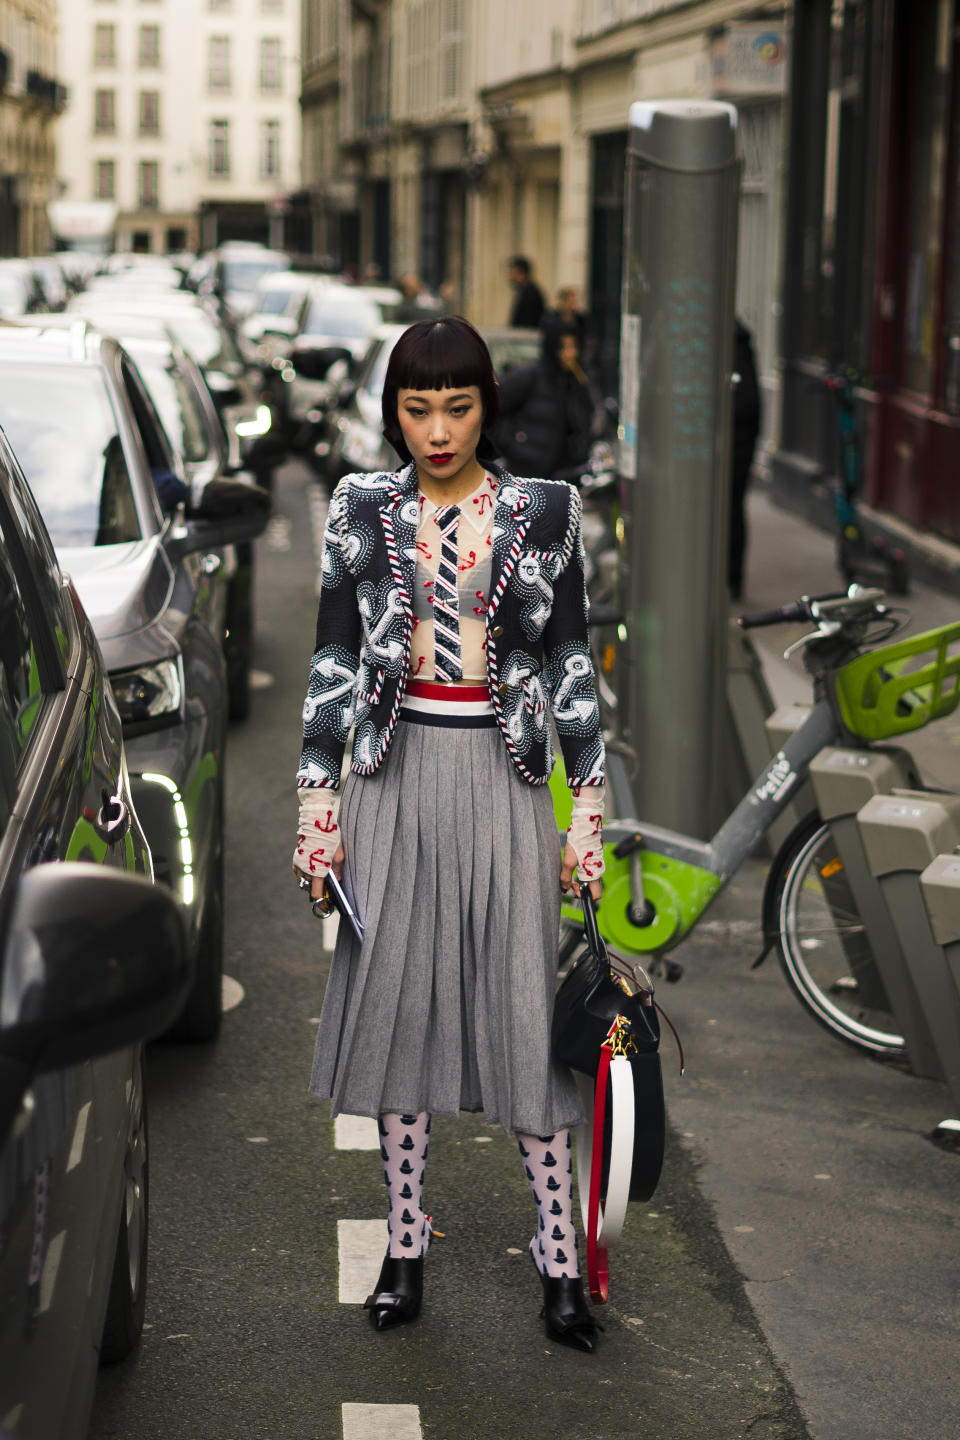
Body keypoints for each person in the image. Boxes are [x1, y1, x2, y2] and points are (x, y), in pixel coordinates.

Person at [292, 316, 606, 1351]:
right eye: (417, 408)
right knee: (396, 1012)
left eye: (458, 406)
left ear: (488, 406)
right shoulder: (361, 506)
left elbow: (569, 663)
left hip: (505, 775)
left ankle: (560, 1256)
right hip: (392, 774)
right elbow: (335, 661)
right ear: (393, 410)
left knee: (522, 1003)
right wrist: (318, 808)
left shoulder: (544, 512)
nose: (437, 428)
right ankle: (406, 1242)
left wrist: (588, 811)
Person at [493, 316, 596, 481]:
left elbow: (584, 423)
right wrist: (514, 445)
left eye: (574, 346)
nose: (570, 353)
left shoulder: (577, 381)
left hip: (564, 474)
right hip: (527, 473)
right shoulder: (529, 376)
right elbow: (493, 411)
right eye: (564, 347)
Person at [729, 318, 762, 600]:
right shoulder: (741, 349)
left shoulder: (736, 351)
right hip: (737, 447)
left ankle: (732, 578)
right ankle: (731, 578)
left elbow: (747, 406)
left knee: (731, 511)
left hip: (735, 450)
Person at [507, 255, 545, 328]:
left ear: (521, 273)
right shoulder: (524, 291)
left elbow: (526, 324)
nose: (510, 276)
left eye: (513, 272)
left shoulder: (531, 294)